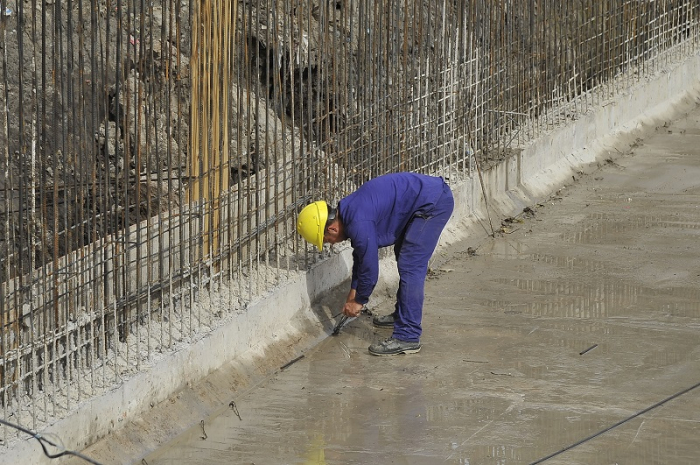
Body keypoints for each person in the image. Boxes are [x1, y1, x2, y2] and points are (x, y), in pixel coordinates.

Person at [296, 172, 454, 356]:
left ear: (331, 227)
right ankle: (403, 317)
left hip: (433, 204)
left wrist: (359, 301)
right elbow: (362, 255)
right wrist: (354, 290)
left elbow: (370, 268)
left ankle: (408, 336)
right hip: (424, 199)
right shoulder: (350, 211)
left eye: (327, 239)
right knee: (404, 256)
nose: (331, 243)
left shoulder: (358, 222)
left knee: (411, 264)